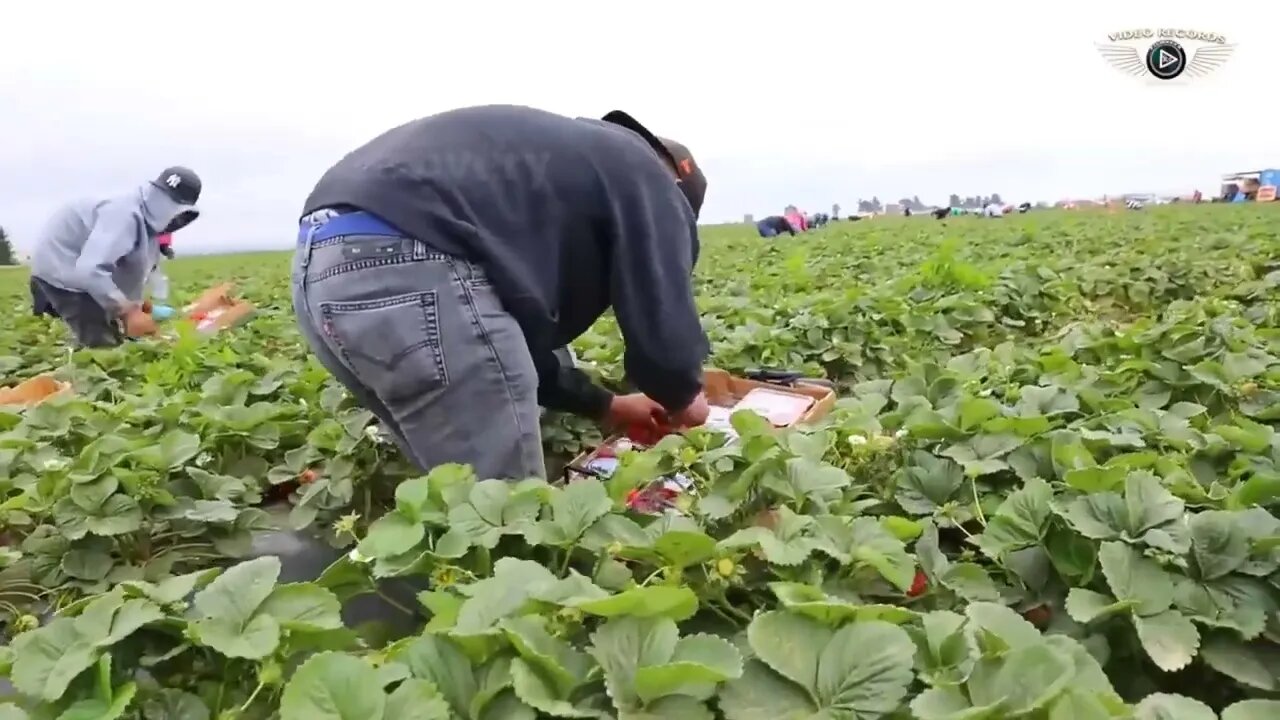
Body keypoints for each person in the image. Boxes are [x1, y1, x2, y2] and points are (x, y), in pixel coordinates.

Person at [292, 105, 712, 481]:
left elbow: (509, 346)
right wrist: (684, 396)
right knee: (504, 509)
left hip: (323, 267)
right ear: (675, 186)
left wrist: (606, 405)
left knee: (456, 487)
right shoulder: (645, 173)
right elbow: (664, 329)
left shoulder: (548, 169)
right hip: (414, 264)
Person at [29, 167, 201, 346]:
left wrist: (138, 306)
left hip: (83, 266)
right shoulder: (124, 215)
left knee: (120, 332)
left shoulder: (150, 229)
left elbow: (133, 274)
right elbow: (89, 270)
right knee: (103, 343)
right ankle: (81, 363)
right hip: (62, 266)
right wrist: (128, 312)